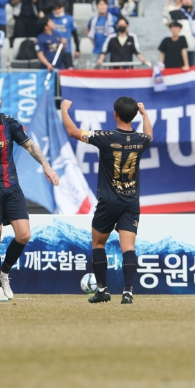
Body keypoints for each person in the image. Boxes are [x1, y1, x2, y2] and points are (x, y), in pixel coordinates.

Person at [0, 83, 59, 302]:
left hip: (12, 186)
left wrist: (46, 165)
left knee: (24, 234)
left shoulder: (10, 123)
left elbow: (30, 145)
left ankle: (4, 273)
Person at [61, 96, 152, 305]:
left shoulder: (106, 137)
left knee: (98, 243)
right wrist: (145, 114)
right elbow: (149, 134)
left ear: (115, 114)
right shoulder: (141, 140)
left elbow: (73, 132)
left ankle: (102, 290)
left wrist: (65, 109)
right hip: (131, 202)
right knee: (128, 248)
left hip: (108, 201)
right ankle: (128, 292)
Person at [169, 0, 195, 66]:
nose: (187, 1)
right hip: (180, 48)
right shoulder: (174, 14)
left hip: (194, 47)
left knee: (194, 69)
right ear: (180, 0)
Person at [50, 2, 79, 68]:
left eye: (59, 8)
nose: (57, 11)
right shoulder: (50, 19)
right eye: (55, 9)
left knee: (69, 69)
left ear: (62, 8)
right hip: (53, 49)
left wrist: (77, 49)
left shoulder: (69, 19)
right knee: (55, 69)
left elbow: (75, 35)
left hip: (66, 49)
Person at [87, 0, 116, 64]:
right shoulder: (93, 20)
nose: (102, 7)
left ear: (107, 6)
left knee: (108, 72)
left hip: (109, 51)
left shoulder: (113, 19)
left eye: (104, 4)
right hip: (96, 50)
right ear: (97, 6)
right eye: (100, 4)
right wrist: (92, 42)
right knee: (93, 70)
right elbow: (88, 30)